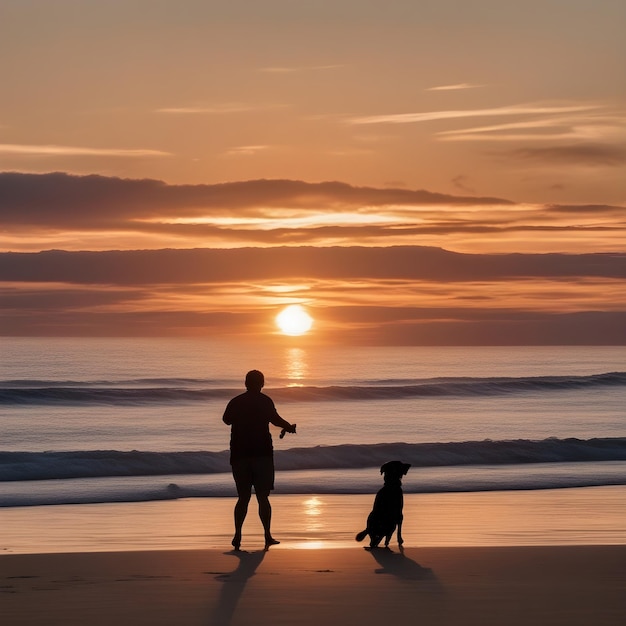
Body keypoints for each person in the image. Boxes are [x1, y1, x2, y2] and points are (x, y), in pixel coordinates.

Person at [222, 369, 296, 550]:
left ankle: (237, 535)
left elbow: (226, 420)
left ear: (245, 383)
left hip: (239, 455)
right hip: (262, 455)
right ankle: (267, 535)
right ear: (262, 384)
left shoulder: (236, 401)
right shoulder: (265, 401)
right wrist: (288, 426)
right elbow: (275, 419)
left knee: (243, 498)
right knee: (263, 497)